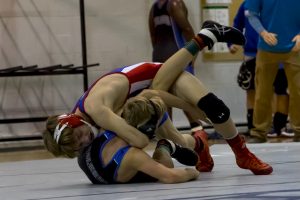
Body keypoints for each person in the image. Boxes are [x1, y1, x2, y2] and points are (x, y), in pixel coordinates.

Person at [43, 20, 273, 175]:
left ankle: (242, 154)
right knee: (181, 142)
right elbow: (148, 102)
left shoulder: (96, 110)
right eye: (78, 146)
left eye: (80, 136)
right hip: (146, 97)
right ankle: (200, 143)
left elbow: (143, 133)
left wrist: (189, 109)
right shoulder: (84, 120)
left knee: (215, 109)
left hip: (156, 78)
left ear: (74, 121)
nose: (85, 142)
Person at [228, 1, 294, 138]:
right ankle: (254, 126)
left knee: (281, 90)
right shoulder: (246, 5)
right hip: (252, 54)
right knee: (253, 90)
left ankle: (279, 126)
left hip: (279, 51)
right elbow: (237, 25)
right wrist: (231, 43)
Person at [245, 0, 300, 143]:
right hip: (266, 47)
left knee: (298, 91)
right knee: (262, 92)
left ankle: (299, 131)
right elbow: (251, 14)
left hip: (296, 47)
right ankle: (259, 132)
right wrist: (262, 33)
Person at [148, 0, 203, 132]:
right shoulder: (175, 4)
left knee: (164, 96)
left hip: (158, 55)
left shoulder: (154, 8)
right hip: (177, 54)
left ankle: (168, 133)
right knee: (186, 95)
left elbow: (153, 35)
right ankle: (198, 131)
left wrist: (158, 53)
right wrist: (192, 53)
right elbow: (187, 29)